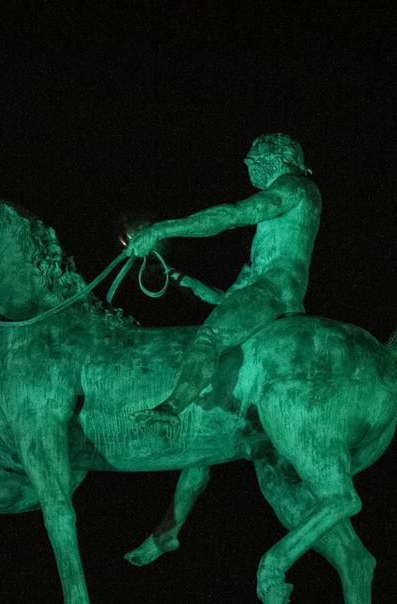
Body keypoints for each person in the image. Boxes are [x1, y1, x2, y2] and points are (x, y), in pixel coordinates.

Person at [127, 134, 321, 421]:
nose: (248, 163)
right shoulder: (289, 215)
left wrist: (160, 230)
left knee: (209, 337)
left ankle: (170, 409)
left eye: (255, 156)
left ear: (279, 158)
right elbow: (223, 299)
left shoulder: (293, 185)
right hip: (275, 292)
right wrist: (176, 276)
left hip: (273, 291)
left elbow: (232, 215)